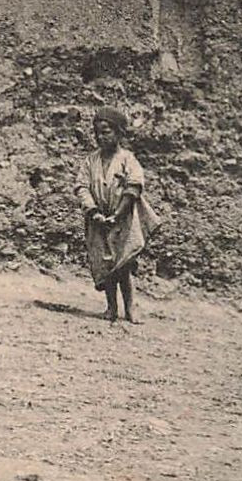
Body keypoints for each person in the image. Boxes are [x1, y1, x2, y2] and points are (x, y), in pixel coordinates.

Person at [76, 106, 161, 323]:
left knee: (122, 264)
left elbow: (133, 187)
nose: (101, 137)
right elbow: (81, 186)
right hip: (98, 221)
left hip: (123, 220)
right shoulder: (90, 161)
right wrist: (93, 210)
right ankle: (111, 308)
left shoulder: (127, 158)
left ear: (118, 133)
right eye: (97, 133)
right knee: (105, 266)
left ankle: (130, 308)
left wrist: (118, 214)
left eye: (106, 132)